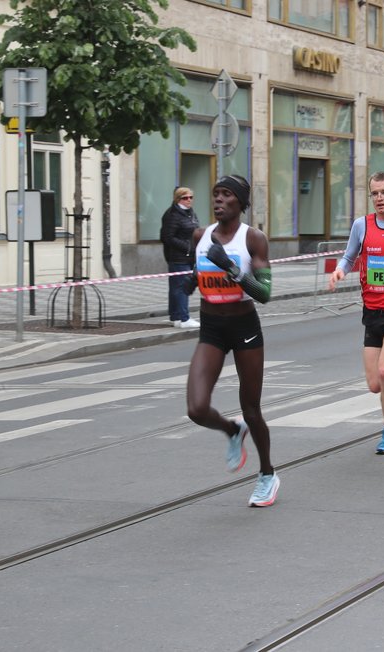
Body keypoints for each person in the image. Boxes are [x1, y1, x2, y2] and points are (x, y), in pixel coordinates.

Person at [186, 174, 279, 507]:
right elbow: (194, 272)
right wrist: (188, 283)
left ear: (240, 203)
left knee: (252, 410)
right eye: (215, 194)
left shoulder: (253, 239)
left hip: (244, 328)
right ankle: (230, 430)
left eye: (227, 195)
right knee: (196, 408)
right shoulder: (200, 235)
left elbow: (265, 294)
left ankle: (267, 474)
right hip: (211, 328)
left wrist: (233, 270)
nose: (219, 200)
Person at [329, 172, 384, 454]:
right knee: (373, 385)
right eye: (374, 193)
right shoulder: (361, 225)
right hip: (373, 311)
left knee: (383, 371)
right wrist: (340, 270)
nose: (379, 198)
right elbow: (350, 254)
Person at [160, 187, 200, 328]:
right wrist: (187, 247)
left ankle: (175, 316)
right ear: (178, 199)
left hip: (190, 256)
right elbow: (167, 237)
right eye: (185, 198)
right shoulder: (172, 215)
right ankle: (184, 318)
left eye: (191, 197)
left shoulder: (190, 213)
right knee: (181, 286)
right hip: (178, 256)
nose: (189, 200)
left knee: (177, 286)